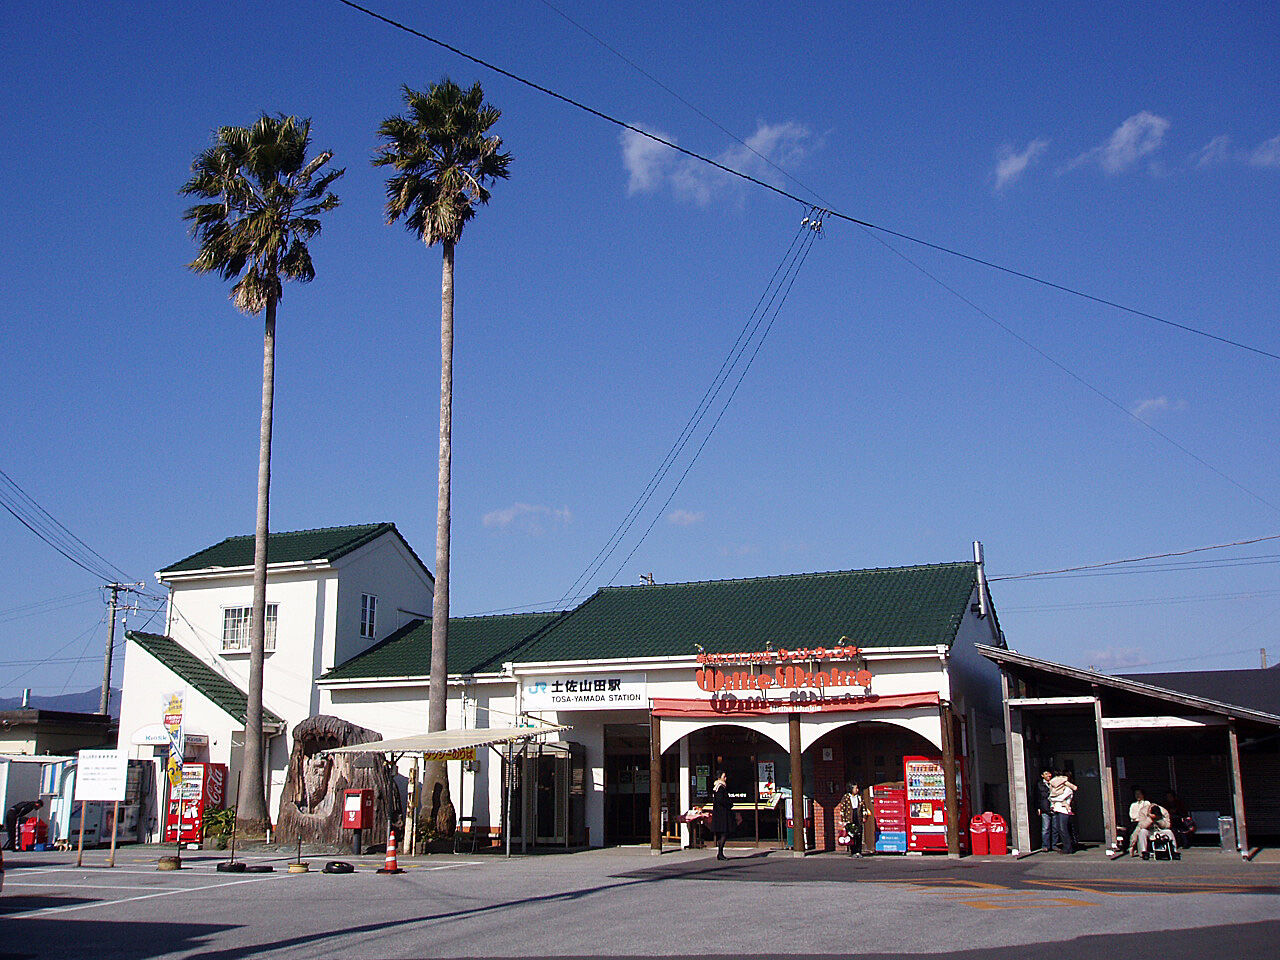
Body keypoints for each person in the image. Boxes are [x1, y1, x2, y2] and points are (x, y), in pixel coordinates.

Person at [1048, 771, 1077, 854]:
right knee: (1059, 829)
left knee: (1063, 828)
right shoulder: (1054, 790)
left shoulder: (1068, 789)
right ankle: (1066, 846)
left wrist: (1054, 798)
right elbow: (1050, 798)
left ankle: (1068, 847)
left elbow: (1060, 798)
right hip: (1057, 809)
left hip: (1064, 810)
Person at [836, 783, 862, 856]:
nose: (857, 790)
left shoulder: (859, 797)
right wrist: (844, 820)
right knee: (851, 834)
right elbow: (842, 809)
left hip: (857, 815)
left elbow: (863, 807)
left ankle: (859, 851)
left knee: (859, 834)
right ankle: (853, 851)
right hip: (850, 817)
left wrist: (864, 817)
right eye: (855, 788)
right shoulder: (846, 797)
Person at [710, 771, 732, 861]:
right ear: (719, 778)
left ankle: (720, 853)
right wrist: (729, 803)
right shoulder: (720, 788)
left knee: (723, 833)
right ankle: (720, 853)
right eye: (724, 776)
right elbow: (720, 800)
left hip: (720, 813)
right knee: (724, 832)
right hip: (722, 813)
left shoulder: (718, 787)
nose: (725, 778)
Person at [1036, 770, 1054, 851]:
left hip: (1054, 807)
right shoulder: (1039, 784)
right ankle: (1045, 845)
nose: (1048, 775)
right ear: (1042, 775)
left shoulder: (1054, 783)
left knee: (1055, 828)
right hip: (1045, 808)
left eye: (1049, 774)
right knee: (1046, 828)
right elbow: (1037, 797)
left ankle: (1054, 845)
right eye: (1046, 774)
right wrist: (1038, 808)